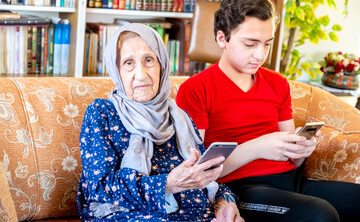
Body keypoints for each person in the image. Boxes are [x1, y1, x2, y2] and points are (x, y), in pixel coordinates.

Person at [176, 0, 360, 222]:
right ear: (222, 38)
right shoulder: (196, 89)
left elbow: (293, 158)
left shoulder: (277, 83)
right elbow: (196, 172)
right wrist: (256, 147)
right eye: (250, 44)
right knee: (319, 213)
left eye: (267, 44)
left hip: (290, 180)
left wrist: (301, 150)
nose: (260, 55)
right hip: (239, 189)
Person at [77, 23, 243, 222]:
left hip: (199, 215)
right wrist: (167, 184)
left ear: (161, 65)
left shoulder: (180, 116)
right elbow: (98, 189)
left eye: (149, 60)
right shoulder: (102, 113)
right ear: (116, 70)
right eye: (128, 63)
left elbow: (202, 177)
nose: (140, 74)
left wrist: (224, 202)